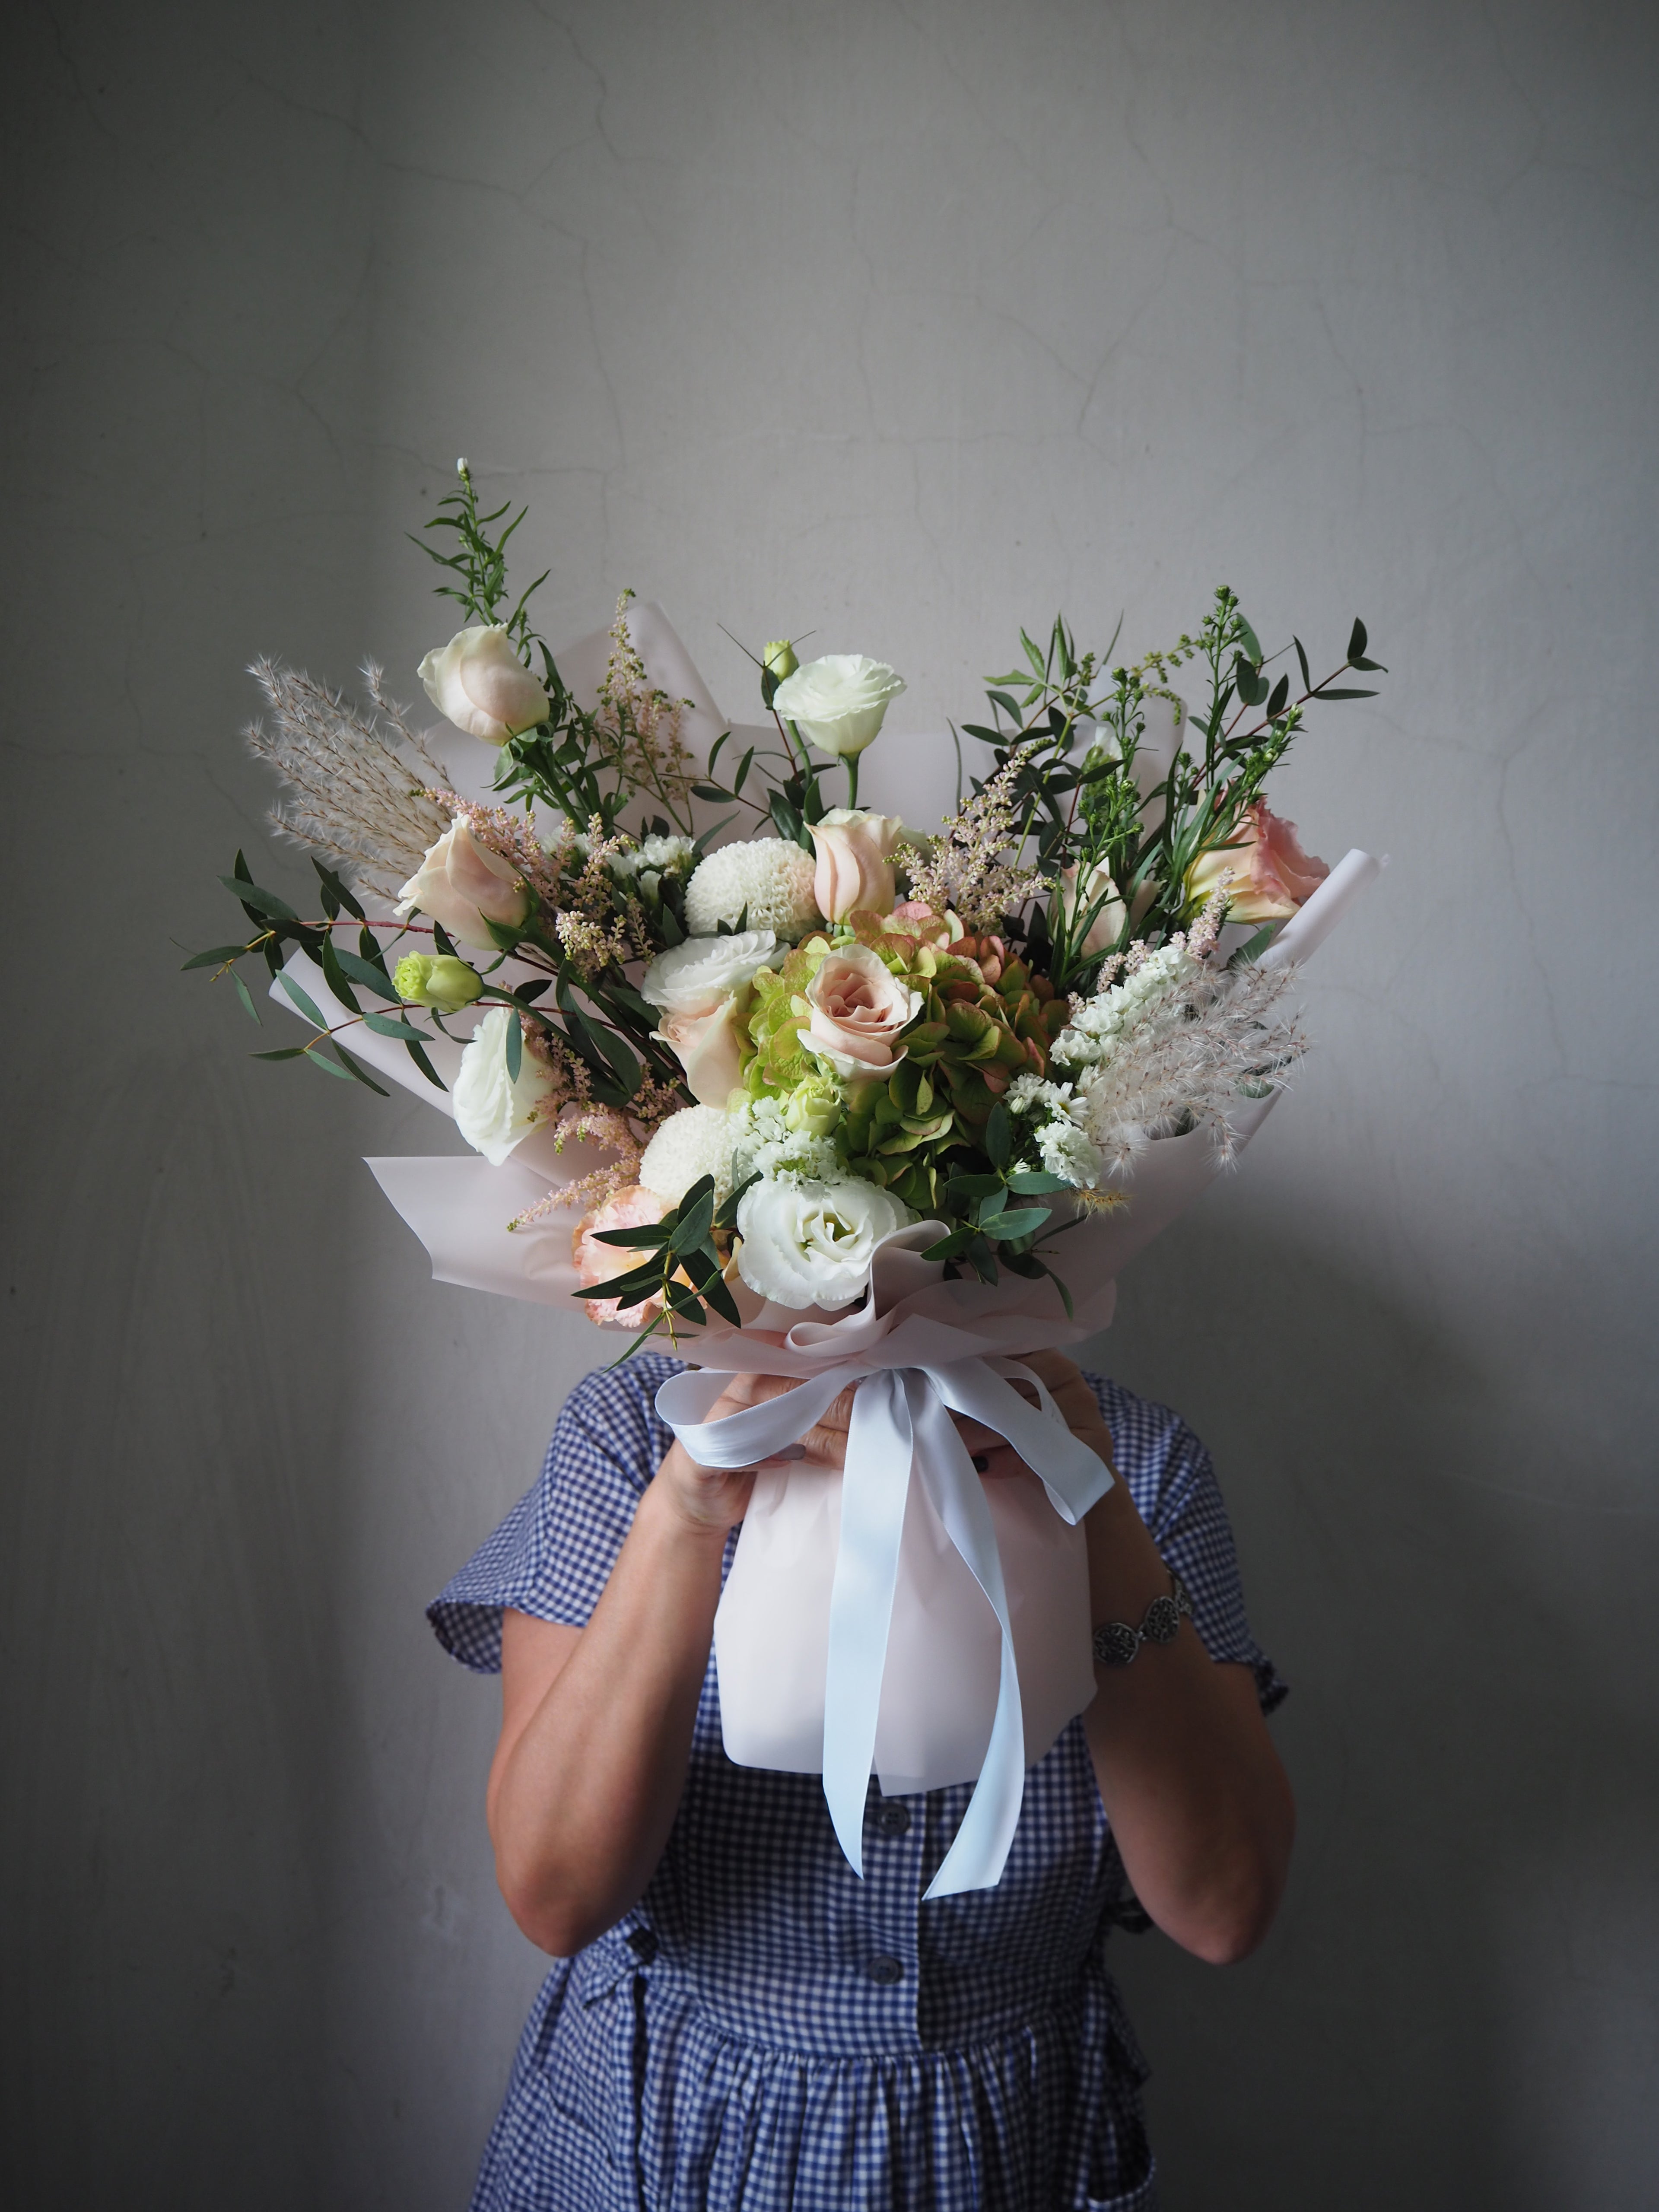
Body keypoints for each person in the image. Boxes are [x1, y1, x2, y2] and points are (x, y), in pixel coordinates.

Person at [429, 1348, 1294, 2212]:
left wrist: (1092, 1505)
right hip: (669, 2126)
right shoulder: (643, 1425)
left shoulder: (1133, 1454)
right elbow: (556, 1898)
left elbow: (1224, 1910)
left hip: (1003, 2145)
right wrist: (685, 1516)